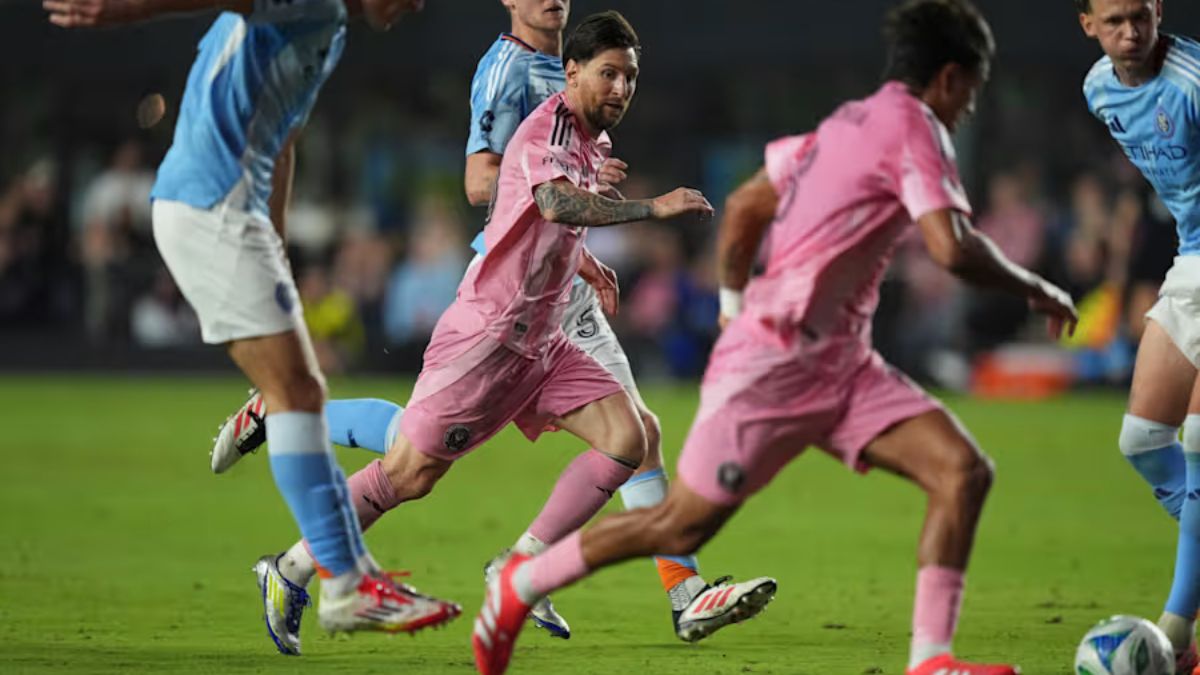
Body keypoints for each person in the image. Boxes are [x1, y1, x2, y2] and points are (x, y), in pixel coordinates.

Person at [471, 2, 1080, 674]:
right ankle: (520, 584)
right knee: (678, 524)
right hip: (778, 362)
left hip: (845, 364)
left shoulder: (849, 120)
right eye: (972, 86)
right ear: (950, 78)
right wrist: (1037, 287)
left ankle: (931, 659)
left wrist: (733, 302)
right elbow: (951, 247)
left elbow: (747, 204)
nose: (970, 103)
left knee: (963, 472)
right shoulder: (919, 132)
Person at [211, 0, 772, 649]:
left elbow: (546, 215)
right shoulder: (540, 117)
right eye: (609, 75)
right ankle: (288, 557)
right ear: (572, 71)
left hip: (546, 338)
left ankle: (531, 566)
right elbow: (543, 197)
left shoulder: (595, 140)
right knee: (409, 471)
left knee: (632, 436)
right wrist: (654, 206)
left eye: (630, 78)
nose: (620, 89)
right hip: (490, 333)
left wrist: (583, 260)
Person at [43, 0, 462, 656]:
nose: (415, 6)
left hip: (233, 213)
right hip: (211, 204)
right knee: (299, 394)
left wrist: (277, 243)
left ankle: (343, 570)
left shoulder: (332, 25)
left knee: (301, 390)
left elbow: (283, 136)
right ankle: (345, 582)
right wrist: (115, 12)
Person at [1077, 0, 1200, 669]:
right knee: (1144, 441)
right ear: (1088, 24)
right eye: (1116, 19)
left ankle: (1177, 637)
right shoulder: (1100, 91)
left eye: (1142, 17)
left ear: (1160, 13)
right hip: (1191, 262)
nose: (1132, 32)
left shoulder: (1193, 83)